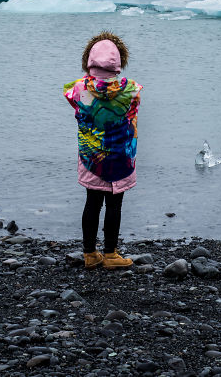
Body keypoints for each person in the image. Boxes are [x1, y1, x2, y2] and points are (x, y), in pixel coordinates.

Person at [63, 31, 142, 270]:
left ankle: (89, 253)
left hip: (91, 157)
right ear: (118, 64)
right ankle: (110, 254)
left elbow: (74, 101)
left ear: (89, 61)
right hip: (120, 157)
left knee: (92, 203)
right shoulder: (133, 90)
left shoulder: (77, 89)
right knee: (115, 205)